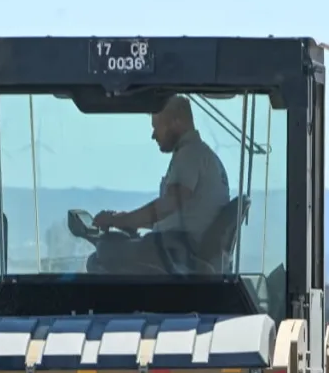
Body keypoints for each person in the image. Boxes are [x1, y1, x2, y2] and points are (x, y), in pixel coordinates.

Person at [88, 95, 230, 274]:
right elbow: (179, 216)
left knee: (103, 252)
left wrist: (117, 220)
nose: (153, 135)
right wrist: (128, 220)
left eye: (157, 127)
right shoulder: (203, 155)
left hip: (180, 253)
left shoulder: (190, 155)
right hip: (182, 250)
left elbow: (168, 205)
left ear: (176, 122)